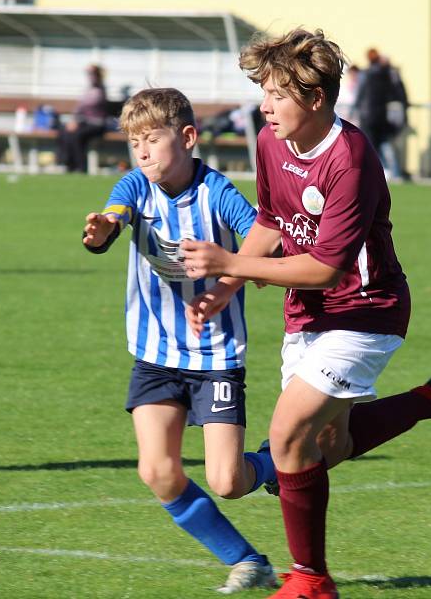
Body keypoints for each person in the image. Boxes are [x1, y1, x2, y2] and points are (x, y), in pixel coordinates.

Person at [180, 29, 431, 598]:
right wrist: (227, 283)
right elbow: (272, 223)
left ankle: (310, 580)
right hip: (309, 315)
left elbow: (325, 267)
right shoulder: (271, 141)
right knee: (329, 448)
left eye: (277, 94)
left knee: (286, 435)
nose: (264, 105)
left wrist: (228, 261)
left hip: (367, 311)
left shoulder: (351, 159)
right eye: (264, 92)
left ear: (316, 98)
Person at [81, 87, 278, 594]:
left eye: (152, 139)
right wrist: (103, 229)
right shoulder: (135, 186)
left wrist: (233, 279)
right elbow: (116, 213)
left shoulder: (217, 192)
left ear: (188, 137)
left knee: (228, 482)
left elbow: (262, 235)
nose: (142, 152)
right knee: (157, 470)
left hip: (215, 356)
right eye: (134, 142)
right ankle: (247, 562)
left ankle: (276, 462)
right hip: (155, 355)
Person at [57, 64, 108, 173]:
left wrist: (75, 120)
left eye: (92, 74)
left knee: (77, 135)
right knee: (64, 130)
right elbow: (79, 109)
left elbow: (85, 106)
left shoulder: (99, 90)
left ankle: (81, 166)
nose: (90, 76)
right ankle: (67, 163)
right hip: (84, 122)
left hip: (97, 125)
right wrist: (73, 121)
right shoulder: (89, 89)